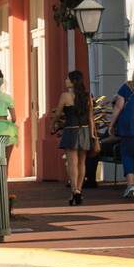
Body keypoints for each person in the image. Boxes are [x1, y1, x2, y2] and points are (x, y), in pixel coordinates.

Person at [53, 70, 97, 205]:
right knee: (81, 162)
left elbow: (58, 113)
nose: (65, 80)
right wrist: (93, 134)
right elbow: (90, 116)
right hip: (84, 130)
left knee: (72, 162)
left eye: (68, 79)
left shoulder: (65, 96)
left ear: (73, 81)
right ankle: (79, 189)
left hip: (71, 131)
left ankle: (74, 190)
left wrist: (53, 124)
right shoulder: (86, 95)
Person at [108, 64, 134, 198]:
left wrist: (111, 124)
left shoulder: (126, 87)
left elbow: (118, 107)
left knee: (127, 155)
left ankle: (130, 186)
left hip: (127, 126)